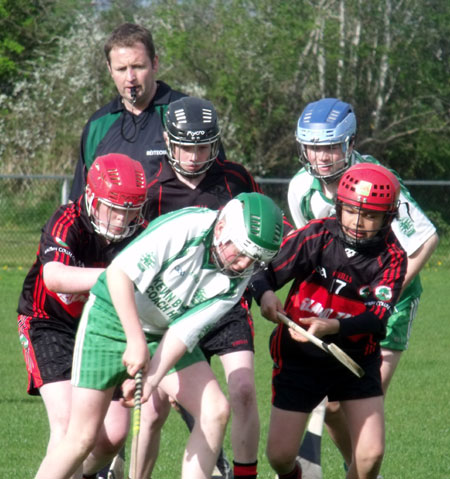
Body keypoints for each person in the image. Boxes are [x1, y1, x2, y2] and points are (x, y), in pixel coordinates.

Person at [33, 192, 284, 479]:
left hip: (162, 331)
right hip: (109, 317)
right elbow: (118, 274)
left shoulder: (237, 279)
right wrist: (135, 339)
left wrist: (151, 379)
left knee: (215, 410)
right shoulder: (187, 226)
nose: (241, 265)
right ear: (222, 227)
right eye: (239, 252)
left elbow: (183, 331)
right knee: (81, 438)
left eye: (253, 260)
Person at [288, 98, 439, 468]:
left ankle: (361, 468)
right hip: (342, 303)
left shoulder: (378, 180)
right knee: (336, 405)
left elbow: (425, 240)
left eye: (329, 146)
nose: (320, 156)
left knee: (359, 404)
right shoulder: (300, 189)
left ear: (349, 144)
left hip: (392, 303)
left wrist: (383, 302)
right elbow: (310, 252)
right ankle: (356, 468)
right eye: (312, 146)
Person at [138, 96, 281, 479]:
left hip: (227, 303)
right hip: (174, 309)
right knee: (152, 410)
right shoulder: (152, 188)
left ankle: (244, 474)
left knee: (244, 389)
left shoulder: (236, 179)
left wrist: (264, 290)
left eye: (202, 145)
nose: (193, 155)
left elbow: (258, 243)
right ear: (169, 142)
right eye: (185, 146)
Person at [251, 163, 408, 479]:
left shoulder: (392, 257)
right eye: (351, 211)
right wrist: (266, 295)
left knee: (370, 456)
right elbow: (261, 271)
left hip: (354, 360)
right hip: (299, 359)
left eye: (371, 215)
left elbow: (378, 317)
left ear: (387, 218)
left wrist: (333, 328)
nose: (358, 222)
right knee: (280, 457)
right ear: (339, 206)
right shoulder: (318, 234)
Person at [18, 153, 148, 479]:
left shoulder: (142, 234)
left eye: (130, 210)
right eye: (114, 208)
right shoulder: (68, 219)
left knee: (112, 437)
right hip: (49, 323)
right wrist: (115, 279)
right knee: (68, 431)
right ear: (91, 197)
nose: (121, 220)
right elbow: (55, 277)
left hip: (104, 328)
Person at [69, 22, 186, 201]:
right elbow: (78, 200)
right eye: (121, 69)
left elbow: (217, 190)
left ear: (154, 64)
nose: (130, 78)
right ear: (110, 69)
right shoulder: (98, 125)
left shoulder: (184, 113)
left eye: (138, 67)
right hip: (111, 228)